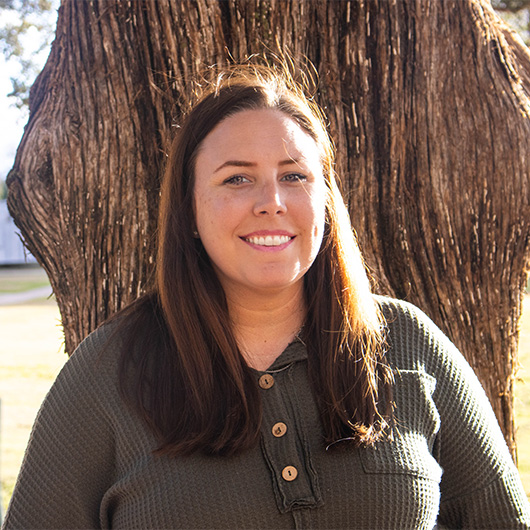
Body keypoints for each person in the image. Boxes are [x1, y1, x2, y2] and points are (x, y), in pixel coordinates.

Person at [3, 64, 530, 530]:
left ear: (325, 201)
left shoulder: (407, 344)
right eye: (237, 179)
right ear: (189, 210)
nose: (271, 203)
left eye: (294, 176)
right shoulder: (108, 372)